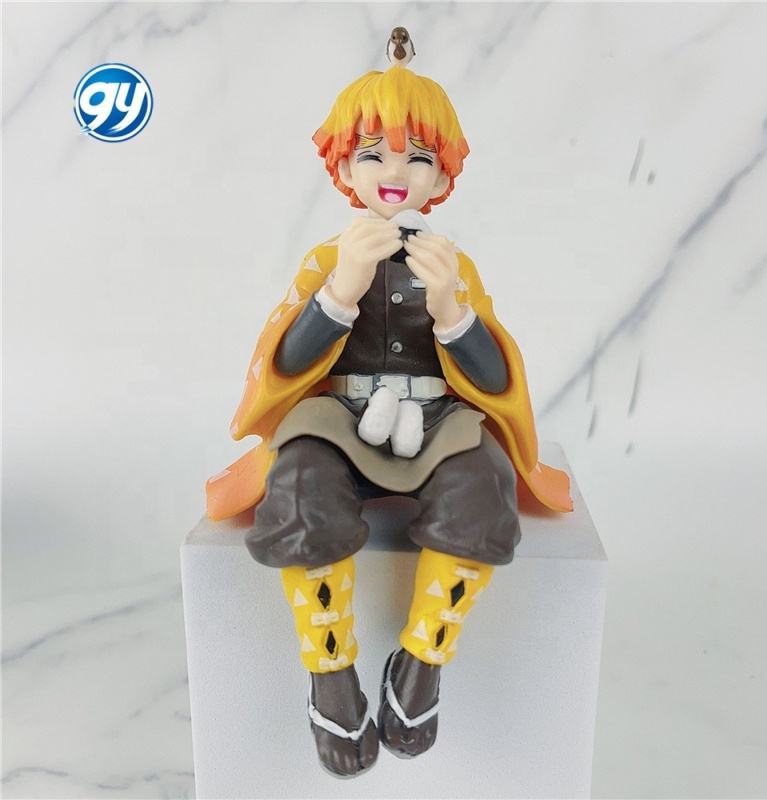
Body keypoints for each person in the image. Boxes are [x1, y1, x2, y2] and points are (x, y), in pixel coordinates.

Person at [206, 35, 572, 778]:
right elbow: (284, 363)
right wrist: (340, 289)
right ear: (345, 169)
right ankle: (330, 672)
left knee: (482, 487)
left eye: (417, 158)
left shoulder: (454, 263)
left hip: (437, 419)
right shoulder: (325, 259)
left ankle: (422, 660)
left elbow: (495, 372)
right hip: (339, 417)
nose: (395, 174)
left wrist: (452, 311)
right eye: (374, 156)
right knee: (299, 482)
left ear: (442, 175)